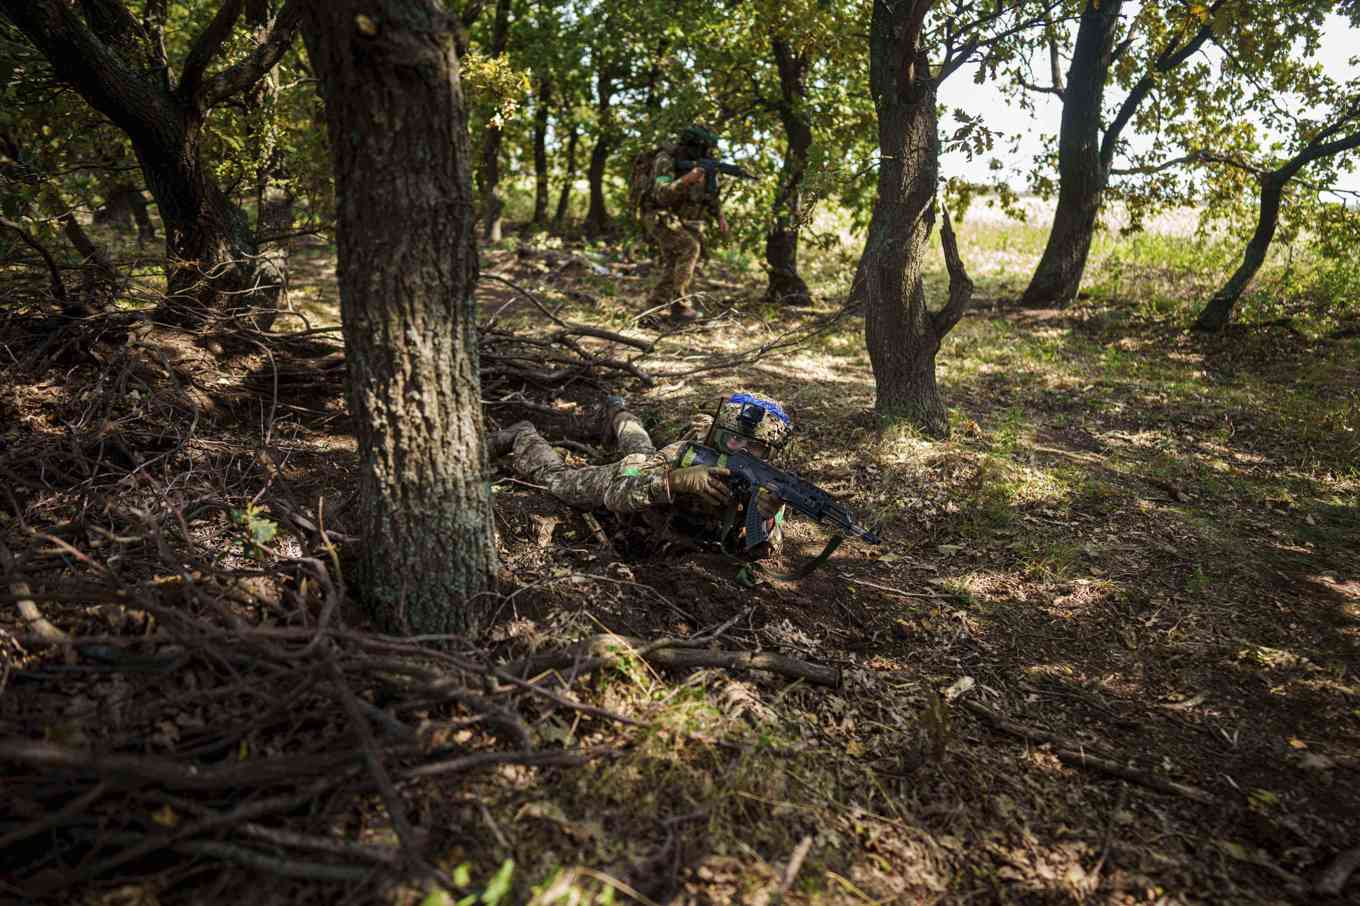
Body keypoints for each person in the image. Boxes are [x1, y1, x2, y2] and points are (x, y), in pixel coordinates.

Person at [488, 392, 790, 559]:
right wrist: (674, 481)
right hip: (634, 480)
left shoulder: (766, 483)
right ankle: (522, 435)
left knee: (641, 446)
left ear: (770, 453)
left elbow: (765, 548)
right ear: (716, 435)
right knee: (560, 481)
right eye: (733, 440)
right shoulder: (684, 453)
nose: (742, 452)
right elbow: (615, 494)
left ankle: (618, 412)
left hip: (650, 467)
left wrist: (765, 518)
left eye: (756, 447)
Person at [637, 125, 730, 325]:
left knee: (673, 264)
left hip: (680, 219)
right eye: (704, 149)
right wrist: (687, 179)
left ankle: (651, 310)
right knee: (689, 247)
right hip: (657, 214)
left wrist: (720, 215)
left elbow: (711, 195)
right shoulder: (666, 160)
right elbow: (661, 195)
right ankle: (680, 306)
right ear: (693, 145)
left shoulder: (703, 164)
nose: (708, 153)